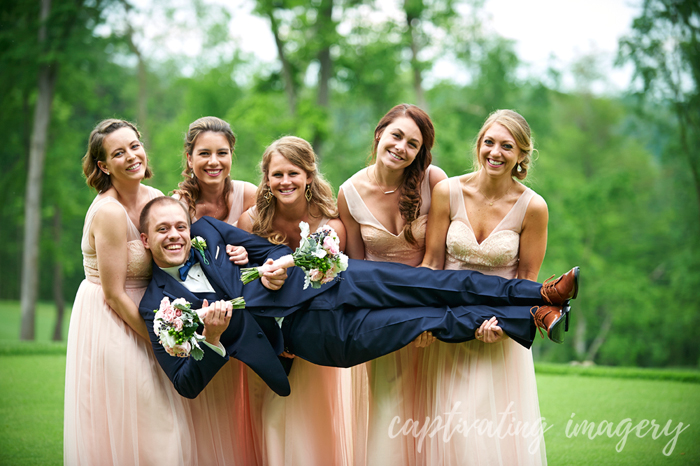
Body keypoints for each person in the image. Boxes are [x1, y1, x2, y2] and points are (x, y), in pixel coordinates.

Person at [137, 196, 578, 400]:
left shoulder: (211, 232)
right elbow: (185, 384)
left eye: (180, 226)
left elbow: (269, 251)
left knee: (435, 283)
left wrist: (277, 267)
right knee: (426, 319)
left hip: (329, 280)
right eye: (163, 230)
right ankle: (531, 320)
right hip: (315, 337)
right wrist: (213, 340)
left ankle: (538, 295)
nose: (176, 235)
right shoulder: (154, 307)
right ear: (145, 239)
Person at [419, 109, 561, 464]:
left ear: (521, 155)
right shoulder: (447, 192)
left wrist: (503, 325)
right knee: (448, 431)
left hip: (498, 332)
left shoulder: (533, 207)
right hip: (448, 327)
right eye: (489, 142)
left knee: (488, 434)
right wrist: (422, 318)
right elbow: (432, 264)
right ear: (479, 145)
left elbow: (527, 279)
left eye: (507, 146)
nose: (495, 152)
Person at [64, 120, 195, 465]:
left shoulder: (155, 199)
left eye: (134, 146)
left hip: (152, 312)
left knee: (165, 421)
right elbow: (113, 293)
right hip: (113, 318)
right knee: (149, 419)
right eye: (119, 153)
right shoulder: (109, 212)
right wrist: (159, 342)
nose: (131, 156)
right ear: (104, 166)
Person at [337, 103, 447, 465]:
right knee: (389, 406)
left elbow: (438, 258)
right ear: (380, 133)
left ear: (420, 152)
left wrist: (427, 317)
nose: (401, 147)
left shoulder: (433, 182)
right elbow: (355, 269)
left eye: (412, 144)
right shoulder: (349, 192)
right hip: (380, 316)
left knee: (434, 405)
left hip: (431, 308)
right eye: (396, 135)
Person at [237, 136, 352, 466]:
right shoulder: (251, 222)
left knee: (312, 421)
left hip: (315, 337)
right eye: (277, 175)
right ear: (267, 179)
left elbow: (328, 288)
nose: (285, 182)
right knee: (270, 418)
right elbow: (239, 287)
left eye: (293, 173)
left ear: (309, 176)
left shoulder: (331, 225)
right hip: (266, 342)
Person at [171, 116, 260, 465]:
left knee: (248, 402)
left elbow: (268, 248)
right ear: (189, 158)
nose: (213, 162)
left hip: (246, 308)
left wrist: (248, 253)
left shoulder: (250, 194)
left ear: (232, 154)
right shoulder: (179, 203)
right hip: (202, 311)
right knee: (212, 405)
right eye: (204, 153)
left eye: (222, 153)